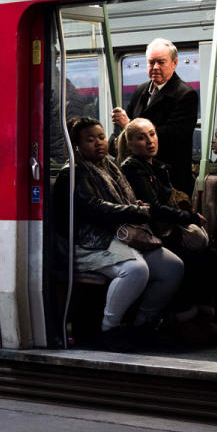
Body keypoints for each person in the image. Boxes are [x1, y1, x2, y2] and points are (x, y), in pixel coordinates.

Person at [53, 117, 183, 350]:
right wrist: (135, 211)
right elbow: (93, 208)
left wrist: (134, 207)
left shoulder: (110, 165)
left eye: (101, 137)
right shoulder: (72, 173)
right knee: (135, 270)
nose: (99, 143)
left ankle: (142, 322)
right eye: (90, 140)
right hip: (89, 241)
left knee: (173, 267)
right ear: (77, 146)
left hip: (118, 234)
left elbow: (123, 200)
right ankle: (108, 328)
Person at [118, 118, 217, 345]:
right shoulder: (133, 168)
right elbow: (153, 208)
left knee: (211, 256)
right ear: (129, 144)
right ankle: (182, 319)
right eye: (141, 137)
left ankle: (199, 317)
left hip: (165, 228)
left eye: (152, 134)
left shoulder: (156, 166)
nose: (149, 141)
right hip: (151, 233)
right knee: (192, 260)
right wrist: (189, 217)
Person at [111, 38, 199, 194]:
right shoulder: (140, 91)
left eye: (161, 62)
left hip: (169, 177)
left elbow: (173, 136)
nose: (155, 67)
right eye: (151, 62)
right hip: (138, 175)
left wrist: (129, 126)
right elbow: (125, 126)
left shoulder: (185, 94)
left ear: (175, 63)